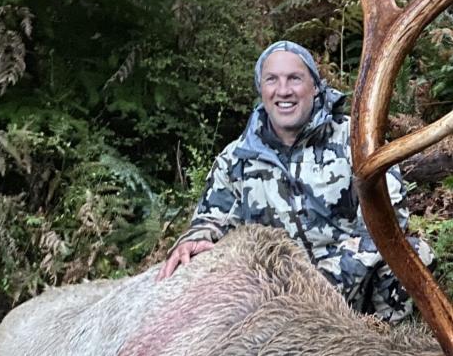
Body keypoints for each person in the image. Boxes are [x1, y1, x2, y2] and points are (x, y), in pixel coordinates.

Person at [158, 40, 432, 323]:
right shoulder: (236, 158)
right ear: (261, 89)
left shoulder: (356, 140)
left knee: (414, 253)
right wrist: (194, 238)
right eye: (272, 80)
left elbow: (387, 221)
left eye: (294, 78)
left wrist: (322, 284)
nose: (283, 90)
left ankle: (385, 337)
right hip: (278, 301)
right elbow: (210, 219)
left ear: (315, 87)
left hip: (353, 288)